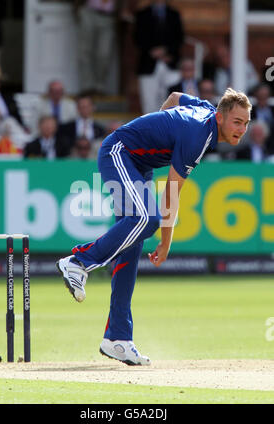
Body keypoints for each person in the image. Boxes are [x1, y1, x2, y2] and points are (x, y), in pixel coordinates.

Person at [56, 87, 252, 366]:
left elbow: (174, 97)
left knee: (132, 247)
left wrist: (157, 128)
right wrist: (166, 241)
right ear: (220, 117)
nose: (242, 129)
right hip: (119, 152)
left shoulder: (206, 109)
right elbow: (172, 192)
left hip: (139, 164)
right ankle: (79, 261)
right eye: (237, 122)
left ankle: (118, 339)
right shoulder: (199, 136)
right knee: (146, 219)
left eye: (246, 123)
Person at [134, 0, 184, 114]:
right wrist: (151, 51)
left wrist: (166, 51)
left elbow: (179, 38)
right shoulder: (142, 14)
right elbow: (137, 38)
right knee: (149, 103)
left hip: (170, 64)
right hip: (148, 64)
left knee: (171, 103)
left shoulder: (174, 14)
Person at [73, 0, 123, 96]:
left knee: (104, 54)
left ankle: (99, 87)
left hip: (109, 16)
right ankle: (87, 87)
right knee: (84, 52)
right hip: (89, 12)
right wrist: (77, 9)